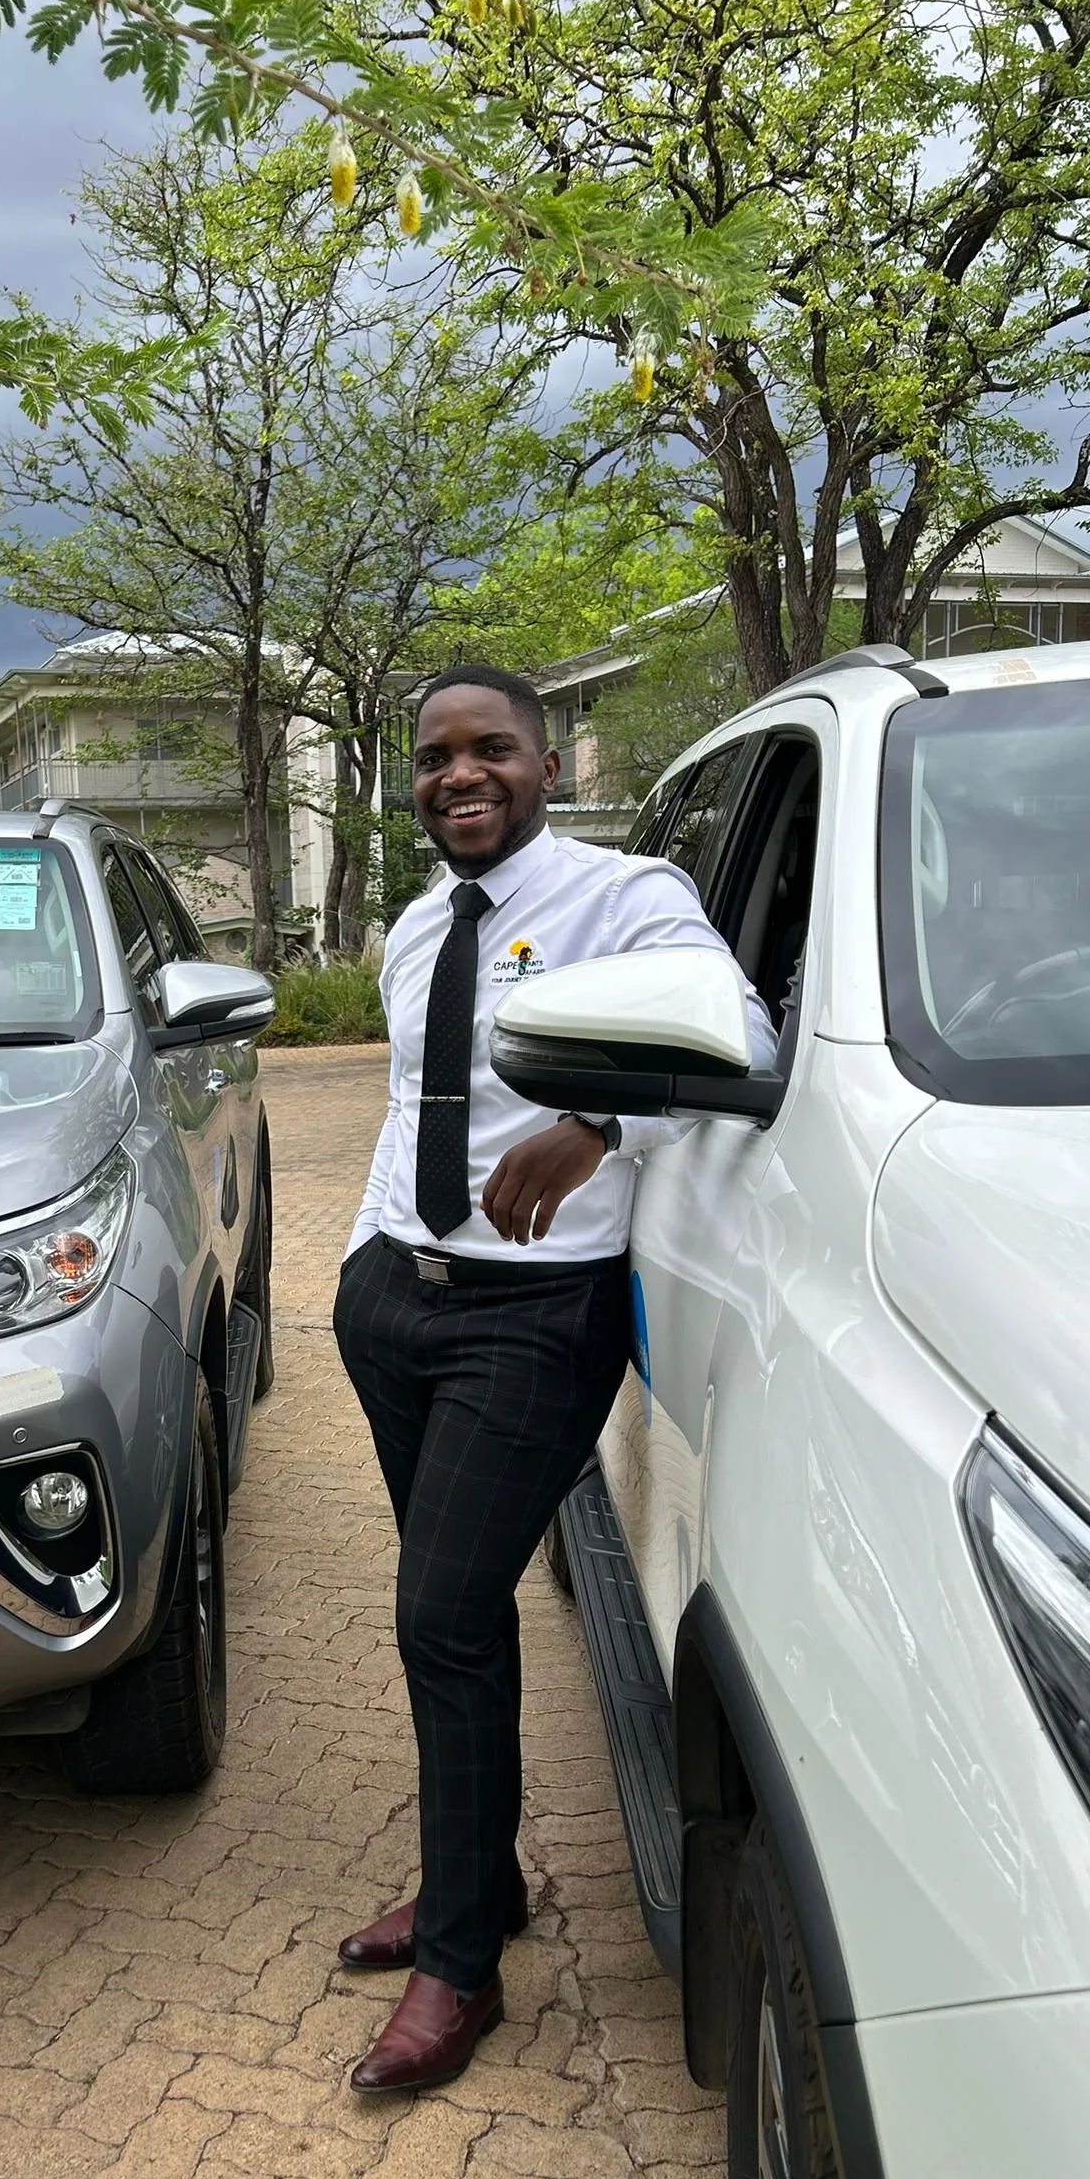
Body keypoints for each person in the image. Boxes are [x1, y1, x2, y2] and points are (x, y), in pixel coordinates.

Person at [332, 662, 775, 2093]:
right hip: (397, 1301)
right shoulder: (413, 927)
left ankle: (464, 1964)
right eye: (436, 758)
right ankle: (487, 1879)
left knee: (443, 1609)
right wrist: (360, 1264)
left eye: (492, 750)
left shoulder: (623, 899)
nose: (462, 775)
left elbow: (733, 1028)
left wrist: (595, 1120)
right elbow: (414, 1101)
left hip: (535, 1316)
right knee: (454, 1618)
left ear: (544, 758)